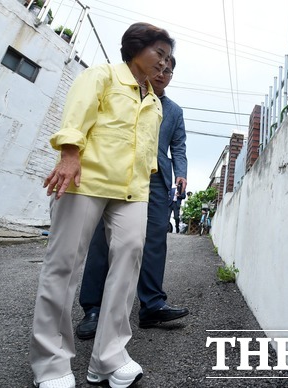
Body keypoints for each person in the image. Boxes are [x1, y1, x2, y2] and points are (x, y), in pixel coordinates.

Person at [29, 23, 174, 388]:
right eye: (159, 53)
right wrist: (68, 155)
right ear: (135, 48)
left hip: (133, 192)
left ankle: (108, 358)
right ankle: (51, 365)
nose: (164, 63)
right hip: (85, 182)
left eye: (169, 59)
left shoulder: (155, 103)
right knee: (62, 267)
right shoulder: (102, 76)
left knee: (127, 266)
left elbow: (146, 152)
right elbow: (76, 119)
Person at [75, 55, 188, 342]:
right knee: (105, 240)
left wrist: (181, 173)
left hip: (157, 181)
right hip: (120, 172)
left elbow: (179, 146)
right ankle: (94, 308)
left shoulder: (174, 111)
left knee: (153, 243)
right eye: (160, 67)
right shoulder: (125, 92)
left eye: (170, 71)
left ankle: (151, 306)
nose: (164, 74)